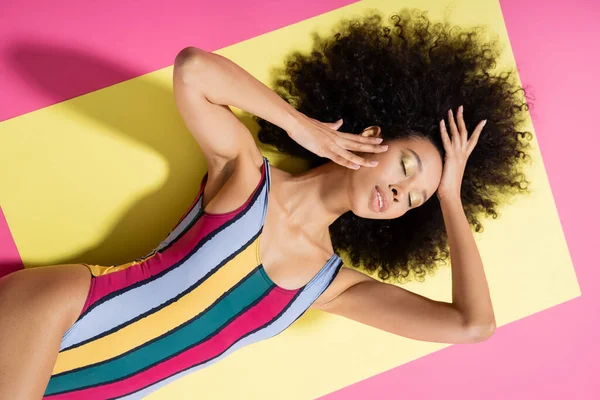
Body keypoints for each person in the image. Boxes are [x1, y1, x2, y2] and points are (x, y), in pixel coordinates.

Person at [0, 10, 530, 399]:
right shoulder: (246, 177)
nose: (399, 194)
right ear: (373, 136)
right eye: (406, 168)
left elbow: (473, 326)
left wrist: (448, 196)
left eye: (414, 200)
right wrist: (305, 130)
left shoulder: (329, 286)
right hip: (59, 313)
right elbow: (193, 71)